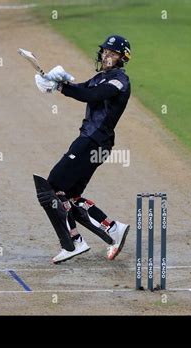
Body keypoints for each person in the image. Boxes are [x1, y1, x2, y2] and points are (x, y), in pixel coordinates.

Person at [33, 35, 132, 264]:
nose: (108, 56)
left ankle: (73, 243)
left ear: (122, 58)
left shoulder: (119, 81)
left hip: (93, 141)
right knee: (70, 196)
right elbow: (81, 88)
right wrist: (58, 83)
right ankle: (114, 229)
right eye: (106, 51)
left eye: (113, 53)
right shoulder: (101, 77)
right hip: (92, 141)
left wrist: (61, 87)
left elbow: (91, 96)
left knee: (52, 187)